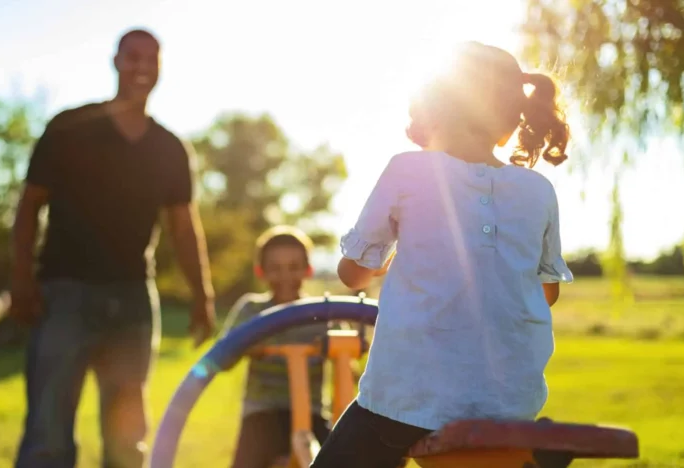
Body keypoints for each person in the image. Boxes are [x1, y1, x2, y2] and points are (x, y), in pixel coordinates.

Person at [310, 42, 575, 468]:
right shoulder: (537, 190)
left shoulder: (407, 169)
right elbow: (547, 293)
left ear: (434, 109)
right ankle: (532, 450)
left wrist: (382, 262)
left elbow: (353, 275)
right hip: (509, 404)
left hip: (409, 398)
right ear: (508, 121)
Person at [10, 28, 215, 468]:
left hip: (133, 301)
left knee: (126, 442)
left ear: (160, 68)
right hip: (64, 294)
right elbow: (29, 206)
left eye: (151, 59)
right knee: (48, 436)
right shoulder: (69, 128)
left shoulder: (169, 148)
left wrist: (203, 296)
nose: (142, 67)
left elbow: (183, 227)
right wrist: (21, 280)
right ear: (116, 61)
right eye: (132, 57)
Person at [221, 226, 335, 468]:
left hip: (311, 414)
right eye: (275, 268)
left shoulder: (323, 313)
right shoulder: (252, 310)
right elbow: (222, 358)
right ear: (261, 271)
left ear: (308, 270)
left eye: (294, 267)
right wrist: (248, 345)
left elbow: (348, 354)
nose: (285, 276)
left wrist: (339, 348)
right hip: (262, 413)